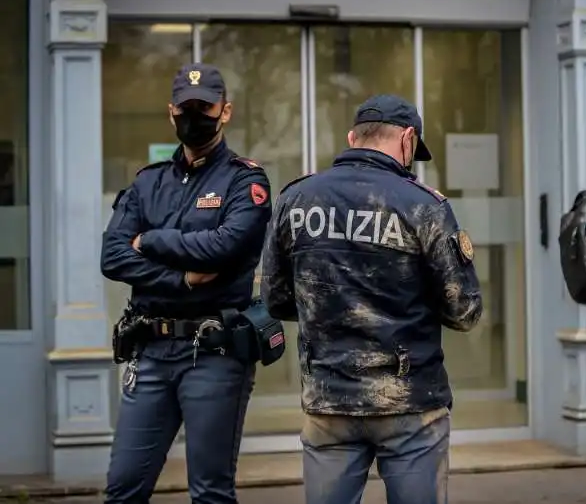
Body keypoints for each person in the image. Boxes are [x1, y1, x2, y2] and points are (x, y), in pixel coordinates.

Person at [261, 94, 483, 504]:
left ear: (352, 137)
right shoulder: (423, 206)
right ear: (408, 139)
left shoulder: (295, 199)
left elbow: (275, 299)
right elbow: (465, 310)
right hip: (409, 401)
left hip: (329, 397)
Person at [101, 63, 272, 504]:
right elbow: (113, 256)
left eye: (205, 108)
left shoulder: (244, 180)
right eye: (185, 108)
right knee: (122, 488)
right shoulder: (148, 182)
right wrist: (181, 277)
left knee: (210, 493)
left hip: (212, 353)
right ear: (171, 111)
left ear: (225, 111)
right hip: (151, 350)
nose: (194, 117)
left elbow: (224, 249)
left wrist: (151, 240)